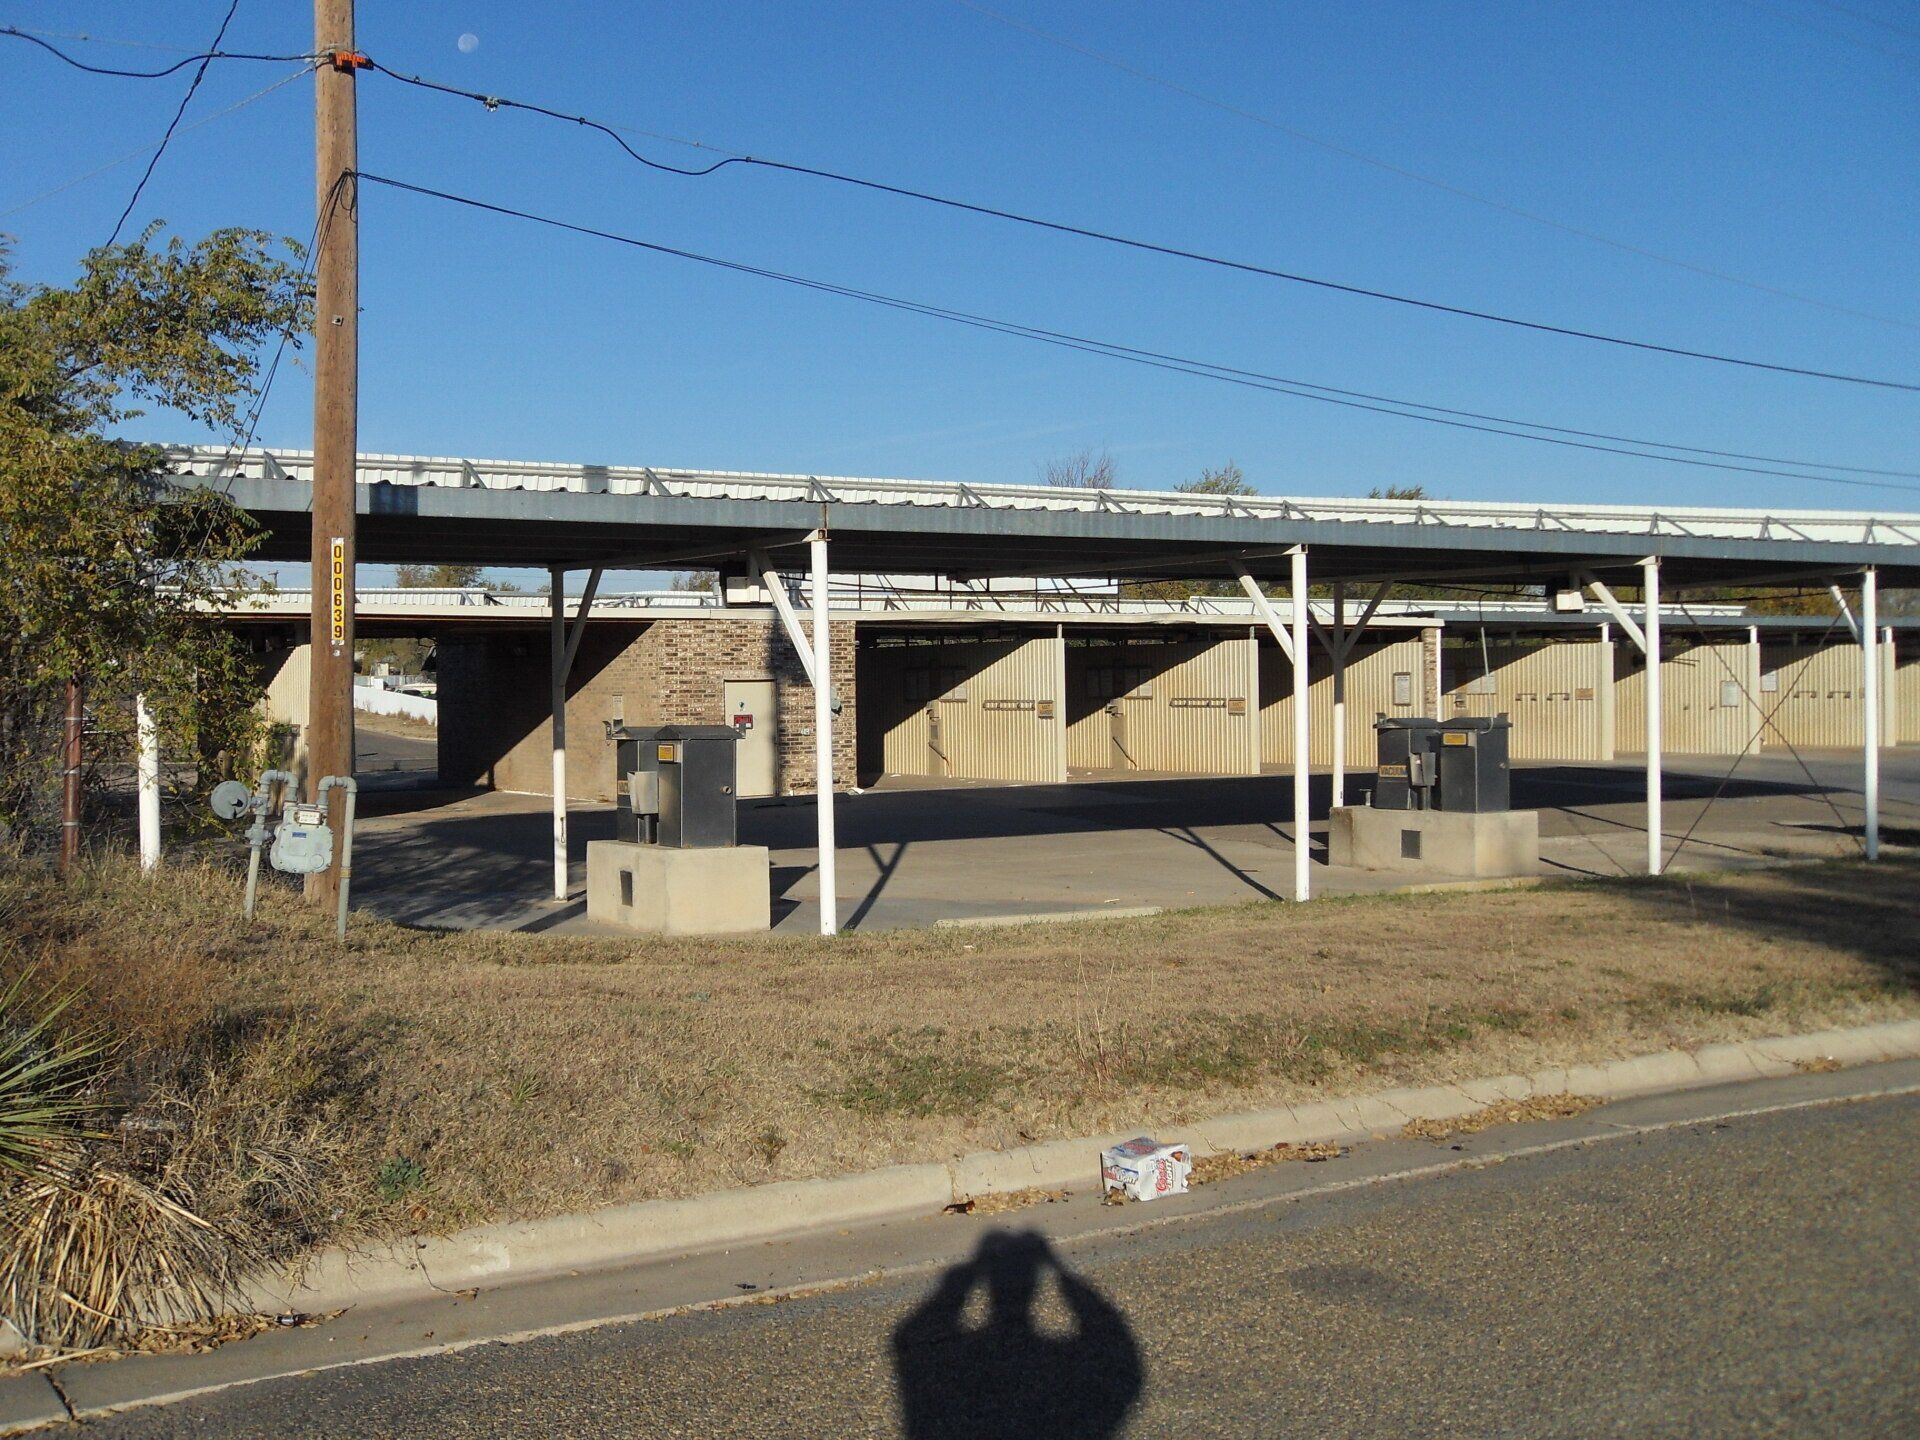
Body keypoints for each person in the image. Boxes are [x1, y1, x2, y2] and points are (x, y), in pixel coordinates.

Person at [892, 1229, 1143, 1439]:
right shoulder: (1062, 1366)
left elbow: (909, 1335)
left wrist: (960, 1281)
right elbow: (1119, 1351)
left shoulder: (950, 1360)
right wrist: (1062, 1273)